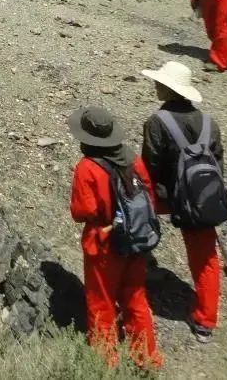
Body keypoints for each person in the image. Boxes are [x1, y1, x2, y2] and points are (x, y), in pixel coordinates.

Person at [69, 105, 163, 370]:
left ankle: (104, 364)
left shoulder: (87, 168)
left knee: (101, 303)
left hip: (104, 244)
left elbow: (81, 211)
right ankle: (146, 360)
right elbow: (149, 197)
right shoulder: (132, 158)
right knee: (135, 297)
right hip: (136, 239)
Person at [140, 61, 224, 344]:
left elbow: (149, 166)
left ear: (167, 88)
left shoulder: (157, 122)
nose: (155, 85)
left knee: (132, 227)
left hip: (165, 195)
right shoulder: (210, 123)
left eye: (159, 83)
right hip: (199, 196)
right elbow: (218, 165)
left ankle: (133, 280)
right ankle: (205, 321)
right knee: (206, 259)